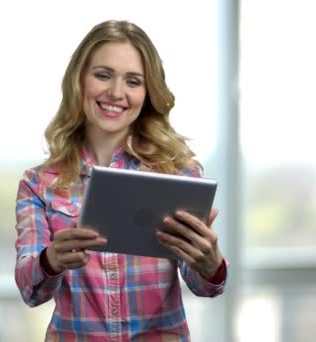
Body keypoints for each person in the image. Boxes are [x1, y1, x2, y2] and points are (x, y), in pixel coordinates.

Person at [14, 19, 228, 342]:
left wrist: (210, 264)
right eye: (103, 75)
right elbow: (31, 291)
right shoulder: (39, 184)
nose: (116, 92)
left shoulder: (178, 175)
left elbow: (204, 286)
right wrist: (51, 261)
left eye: (133, 81)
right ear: (79, 81)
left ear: (147, 93)